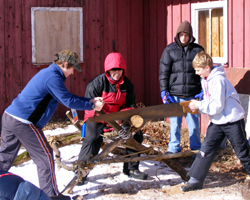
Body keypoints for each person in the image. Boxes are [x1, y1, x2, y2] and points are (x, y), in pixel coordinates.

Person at [0, 50, 104, 200]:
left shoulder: (48, 74)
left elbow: (68, 96)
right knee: (45, 156)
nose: (73, 72)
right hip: (23, 122)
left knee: (4, 158)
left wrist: (90, 101)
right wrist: (93, 107)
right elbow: (68, 101)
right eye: (73, 68)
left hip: (10, 117)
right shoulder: (52, 78)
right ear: (65, 64)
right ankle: (51, 196)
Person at [181, 51, 250, 192]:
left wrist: (199, 105)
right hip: (218, 121)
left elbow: (218, 106)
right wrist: (200, 104)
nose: (196, 73)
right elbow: (211, 102)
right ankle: (195, 180)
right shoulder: (206, 79)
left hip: (232, 120)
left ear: (207, 67)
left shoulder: (218, 80)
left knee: (242, 152)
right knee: (206, 150)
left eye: (198, 70)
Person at [77, 52, 147, 185]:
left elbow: (131, 106)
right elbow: (89, 106)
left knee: (136, 135)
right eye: (113, 70)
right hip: (96, 118)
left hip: (118, 120)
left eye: (119, 70)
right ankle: (81, 170)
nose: (117, 73)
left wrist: (121, 119)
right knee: (92, 138)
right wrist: (103, 118)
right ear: (108, 70)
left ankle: (131, 168)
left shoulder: (127, 85)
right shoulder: (97, 83)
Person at [159, 20, 204, 154]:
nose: (184, 38)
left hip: (192, 95)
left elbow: (204, 71)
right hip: (174, 95)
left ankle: (196, 150)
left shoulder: (198, 50)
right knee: (175, 125)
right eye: (181, 35)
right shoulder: (169, 50)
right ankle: (174, 149)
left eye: (186, 35)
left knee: (194, 126)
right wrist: (164, 91)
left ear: (191, 36)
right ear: (178, 35)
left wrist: (203, 90)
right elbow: (163, 72)